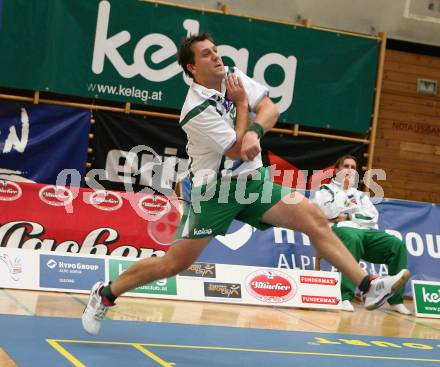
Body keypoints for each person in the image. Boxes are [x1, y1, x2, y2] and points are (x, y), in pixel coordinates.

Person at [82, 33, 410, 335]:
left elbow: (270, 108)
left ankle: (367, 286)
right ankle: (106, 293)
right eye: (206, 54)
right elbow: (237, 150)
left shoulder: (233, 75)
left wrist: (255, 130)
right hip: (215, 192)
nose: (216, 56)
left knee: (315, 220)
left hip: (254, 182)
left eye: (215, 50)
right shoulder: (195, 110)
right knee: (175, 263)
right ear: (193, 67)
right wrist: (242, 107)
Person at [314, 155, 411, 314]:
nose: (350, 170)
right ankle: (344, 296)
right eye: (346, 166)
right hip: (338, 230)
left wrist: (349, 215)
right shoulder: (325, 190)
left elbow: (373, 217)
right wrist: (345, 196)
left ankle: (396, 300)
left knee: (396, 244)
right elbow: (328, 212)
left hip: (364, 232)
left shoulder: (360, 195)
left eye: (353, 167)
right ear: (337, 170)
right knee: (353, 237)